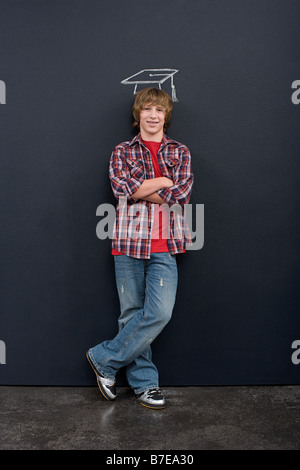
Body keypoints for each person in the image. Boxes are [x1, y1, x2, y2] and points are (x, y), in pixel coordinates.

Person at [87, 87, 194, 409]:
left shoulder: (180, 151)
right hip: (128, 244)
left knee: (158, 312)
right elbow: (122, 188)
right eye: (146, 109)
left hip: (165, 246)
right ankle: (145, 385)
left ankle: (103, 357)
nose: (152, 115)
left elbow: (182, 197)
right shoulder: (122, 150)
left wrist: (141, 189)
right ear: (138, 115)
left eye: (158, 110)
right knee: (131, 315)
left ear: (166, 116)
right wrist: (163, 181)